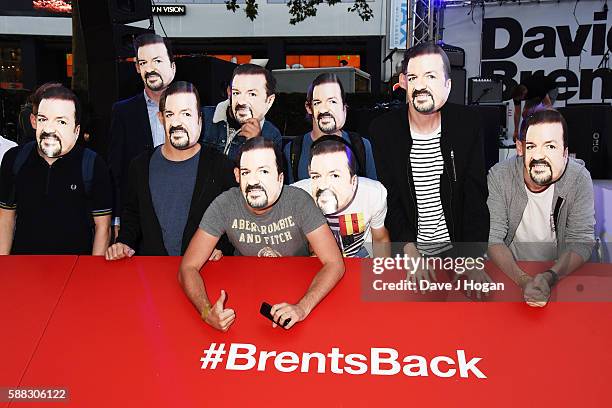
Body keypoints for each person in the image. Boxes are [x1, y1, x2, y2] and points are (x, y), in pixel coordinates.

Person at [178, 137, 344, 331]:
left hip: (299, 289)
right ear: (237, 175)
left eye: (264, 171)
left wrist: (302, 307)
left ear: (280, 178)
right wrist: (206, 313)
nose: (254, 180)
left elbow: (335, 263)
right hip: (245, 294)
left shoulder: (299, 202)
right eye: (247, 172)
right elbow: (187, 267)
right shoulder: (224, 204)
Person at [368, 43, 489, 284]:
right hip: (408, 250)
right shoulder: (384, 131)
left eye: (431, 76)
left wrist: (472, 257)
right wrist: (409, 251)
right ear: (404, 82)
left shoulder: (468, 125)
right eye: (413, 77)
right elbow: (389, 198)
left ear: (448, 84)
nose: (421, 86)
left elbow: (475, 196)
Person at [105, 81, 236, 260]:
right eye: (170, 114)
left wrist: (222, 247)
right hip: (153, 273)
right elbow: (132, 214)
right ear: (161, 118)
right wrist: (123, 243)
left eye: (186, 114)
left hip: (205, 271)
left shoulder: (221, 166)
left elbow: (234, 217)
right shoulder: (140, 166)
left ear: (200, 119)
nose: (178, 122)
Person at [487, 108, 595, 307]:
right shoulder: (499, 176)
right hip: (512, 270)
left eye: (550, 147)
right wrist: (523, 280)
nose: (540, 156)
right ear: (520, 148)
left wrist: (549, 277)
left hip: (562, 271)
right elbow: (494, 239)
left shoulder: (579, 178)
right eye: (532, 146)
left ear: (565, 153)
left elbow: (581, 241)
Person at [0, 86, 112, 255]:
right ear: (34, 121)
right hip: (24, 268)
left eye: (61, 121)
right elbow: (6, 219)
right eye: (44, 119)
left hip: (75, 268)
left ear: (76, 130)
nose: (50, 129)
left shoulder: (92, 164)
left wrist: (93, 273)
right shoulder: (15, 159)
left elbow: (103, 227)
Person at [108, 33, 176, 235]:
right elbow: (116, 170)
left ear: (172, 65)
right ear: (137, 68)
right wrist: (117, 218)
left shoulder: (193, 106)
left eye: (157, 61)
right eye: (143, 62)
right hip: (139, 217)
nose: (150, 68)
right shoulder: (123, 112)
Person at [292, 136, 389, 257]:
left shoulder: (373, 193)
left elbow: (380, 239)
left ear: (353, 180)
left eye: (335, 175)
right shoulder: (296, 196)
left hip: (359, 258)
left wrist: (383, 273)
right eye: (316, 175)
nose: (323, 185)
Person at [283, 73, 377, 184]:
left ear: (344, 107)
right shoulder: (293, 150)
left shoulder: (361, 146)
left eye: (332, 101)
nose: (324, 109)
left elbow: (372, 192)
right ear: (309, 107)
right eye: (317, 102)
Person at [200, 63, 282, 161]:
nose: (242, 101)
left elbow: (267, 173)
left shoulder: (271, 134)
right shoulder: (202, 117)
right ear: (229, 93)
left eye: (252, 94)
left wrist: (255, 144)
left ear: (269, 100)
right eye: (236, 93)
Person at [511, 74, 557, 142]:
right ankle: (526, 136)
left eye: (521, 99)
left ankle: (545, 134)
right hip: (534, 94)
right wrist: (516, 130)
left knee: (543, 112)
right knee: (525, 113)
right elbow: (517, 113)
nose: (520, 101)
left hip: (550, 89)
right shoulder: (517, 94)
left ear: (524, 94)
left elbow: (548, 105)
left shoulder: (537, 87)